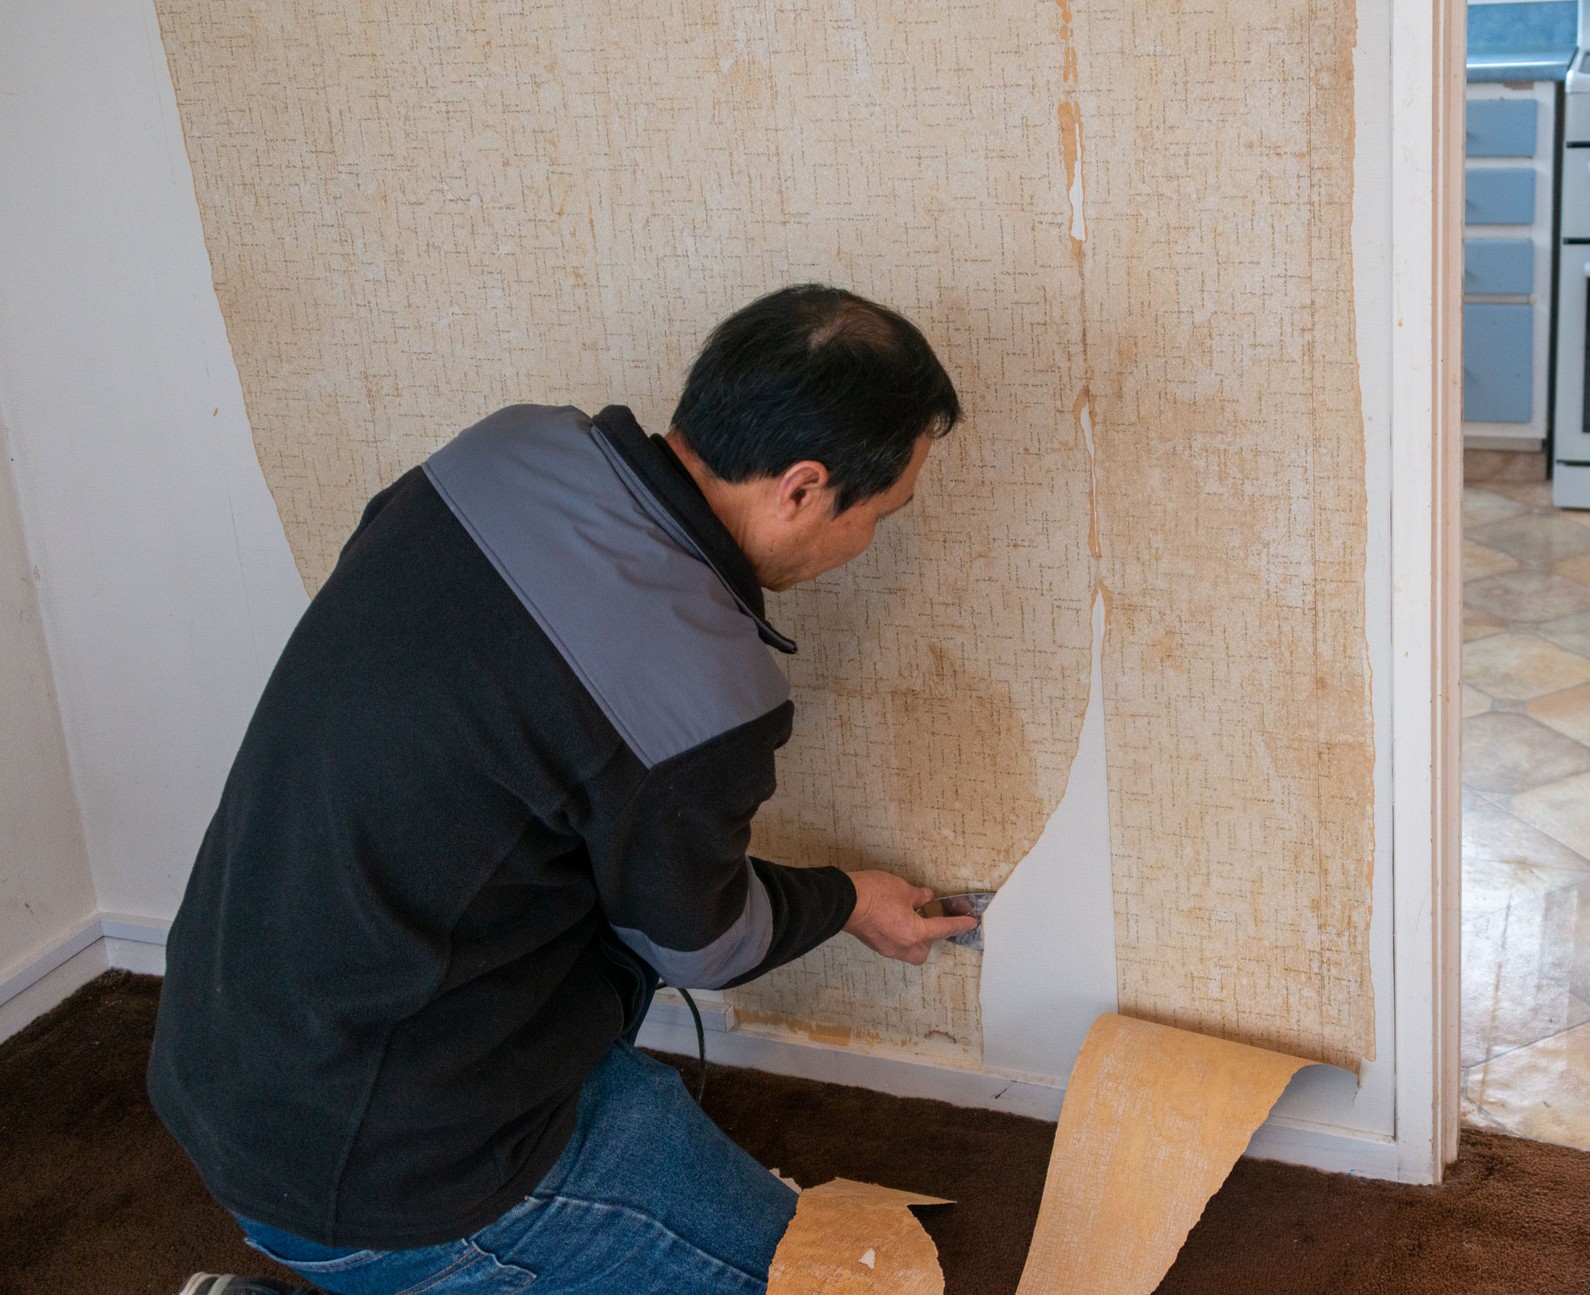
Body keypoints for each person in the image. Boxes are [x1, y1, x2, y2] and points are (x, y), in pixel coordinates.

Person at [153, 284, 976, 1295]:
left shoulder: (499, 455)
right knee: (815, 1277)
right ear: (802, 488)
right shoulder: (704, 682)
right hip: (388, 1171)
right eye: (882, 516)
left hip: (219, 1053)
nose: (872, 545)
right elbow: (705, 942)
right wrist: (845, 899)